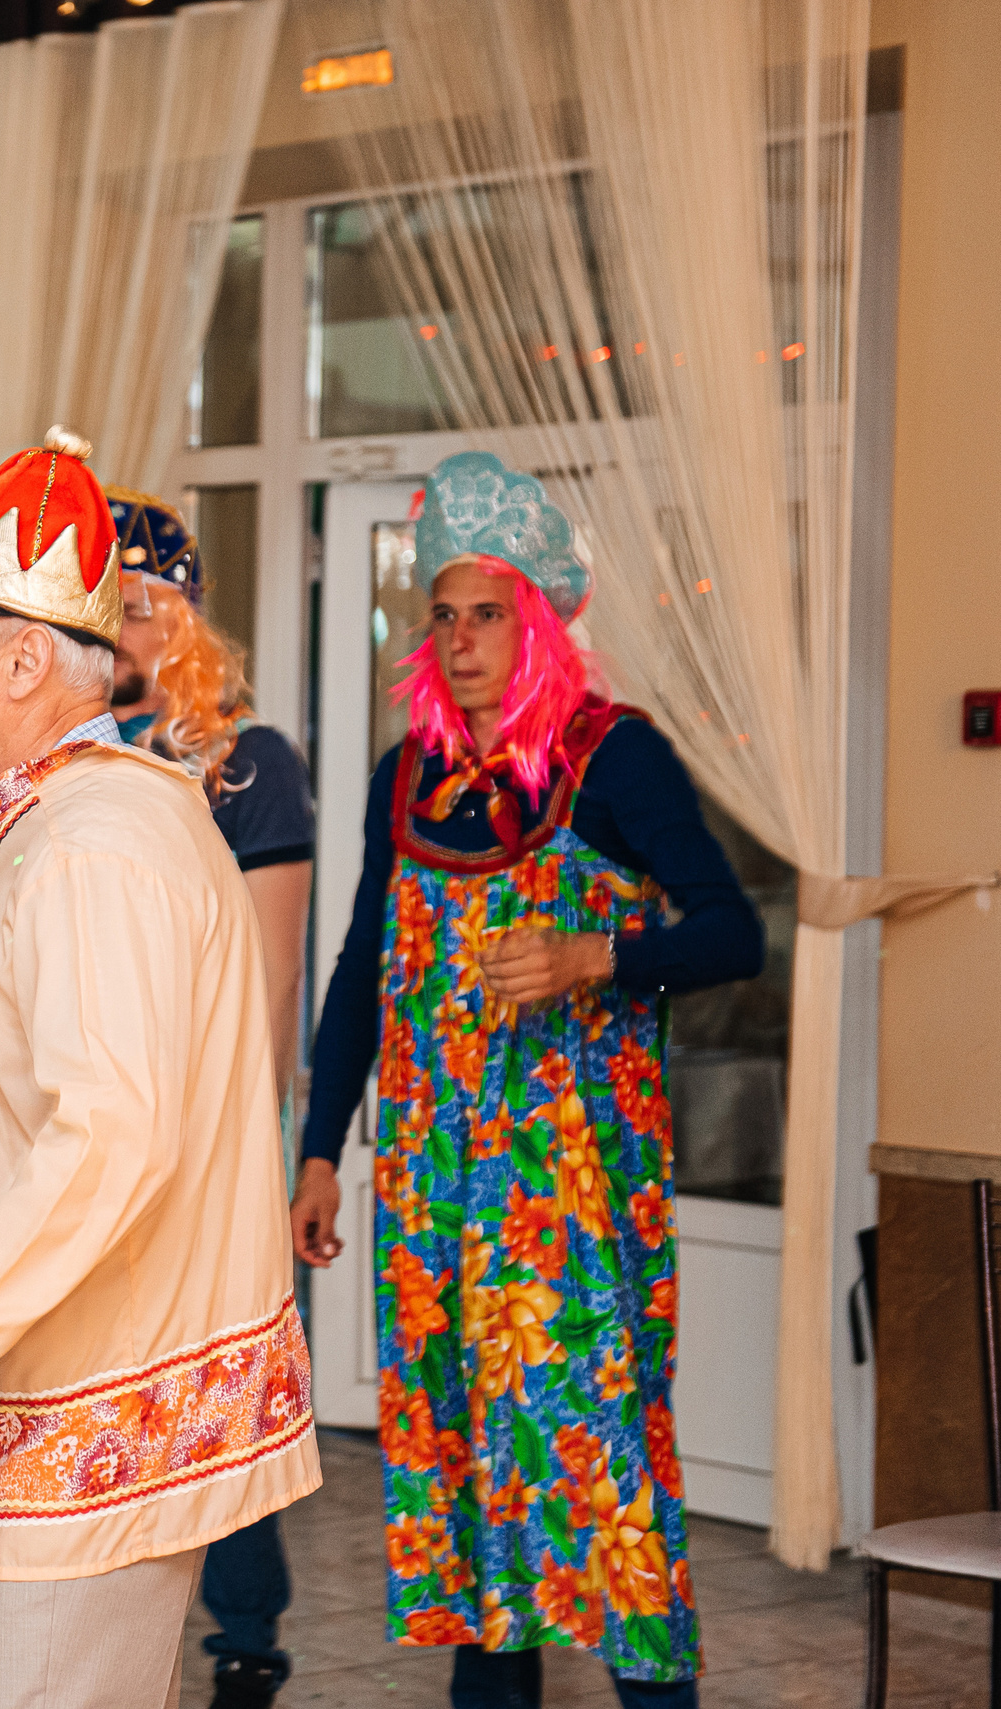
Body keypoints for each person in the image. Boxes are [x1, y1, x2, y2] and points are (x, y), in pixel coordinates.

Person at [0, 428, 319, 1709]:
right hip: (90, 1384)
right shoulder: (79, 813)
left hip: (100, 1398)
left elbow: (111, 1140)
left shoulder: (94, 836)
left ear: (26, 658)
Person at [291, 452, 763, 1708]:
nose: (459, 640)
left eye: (485, 612)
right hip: (434, 1204)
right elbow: (358, 969)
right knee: (470, 1498)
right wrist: (322, 1147)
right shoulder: (410, 777)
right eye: (441, 616)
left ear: (539, 616)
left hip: (570, 1211)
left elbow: (732, 933)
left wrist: (599, 954)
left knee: (600, 1492)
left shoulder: (617, 760)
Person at [106, 488, 313, 1709]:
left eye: (141, 606)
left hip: (213, 1128)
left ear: (185, 614)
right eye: (102, 607)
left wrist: (251, 1148)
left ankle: (246, 1640)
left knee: (220, 1384)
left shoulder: (247, 761)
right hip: (100, 1116)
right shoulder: (75, 753)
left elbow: (273, 972)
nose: (121, 630)